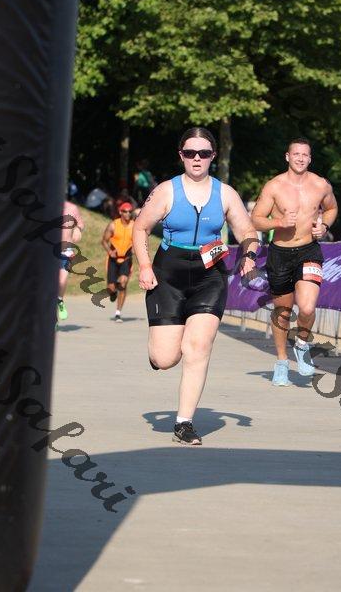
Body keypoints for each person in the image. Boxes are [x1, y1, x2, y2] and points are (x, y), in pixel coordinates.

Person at [133, 126, 258, 445]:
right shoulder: (166, 191)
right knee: (165, 358)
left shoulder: (225, 193)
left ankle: (184, 423)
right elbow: (140, 227)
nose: (197, 158)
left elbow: (247, 231)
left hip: (209, 276)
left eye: (203, 153)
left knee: (198, 347)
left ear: (213, 156)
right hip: (168, 275)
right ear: (181, 156)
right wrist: (145, 266)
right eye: (190, 153)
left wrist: (249, 255)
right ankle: (159, 352)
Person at [251, 137, 338, 386]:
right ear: (287, 157)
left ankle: (301, 343)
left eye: (305, 154)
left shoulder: (320, 184)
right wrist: (278, 222)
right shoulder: (274, 186)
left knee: (307, 308)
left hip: (309, 251)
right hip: (280, 254)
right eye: (296, 154)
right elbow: (256, 219)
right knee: (283, 312)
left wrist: (324, 226)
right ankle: (281, 362)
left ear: (310, 158)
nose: (300, 158)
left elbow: (331, 209)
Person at [102, 202, 135, 322]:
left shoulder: (134, 226)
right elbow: (104, 241)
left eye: (130, 211)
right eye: (125, 211)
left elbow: (139, 240)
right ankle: (112, 293)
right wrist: (109, 251)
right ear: (120, 212)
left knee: (123, 283)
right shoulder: (113, 225)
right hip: (113, 259)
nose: (128, 213)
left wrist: (135, 249)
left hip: (126, 259)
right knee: (111, 288)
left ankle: (118, 313)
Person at [57, 200, 84, 322]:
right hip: (47, 251)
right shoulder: (46, 205)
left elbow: (80, 223)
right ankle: (52, 319)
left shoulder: (72, 208)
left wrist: (78, 229)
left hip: (65, 251)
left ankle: (60, 300)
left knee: (62, 280)